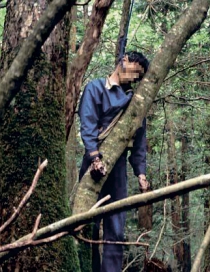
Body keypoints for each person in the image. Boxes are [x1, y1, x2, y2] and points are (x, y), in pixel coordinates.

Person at [78, 51, 150, 272]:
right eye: (135, 72)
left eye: (139, 77)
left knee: (116, 229)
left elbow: (139, 139)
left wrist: (141, 172)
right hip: (93, 164)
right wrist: (94, 157)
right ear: (124, 60)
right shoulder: (96, 88)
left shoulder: (134, 103)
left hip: (118, 169)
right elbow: (88, 124)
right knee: (87, 226)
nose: (135, 78)